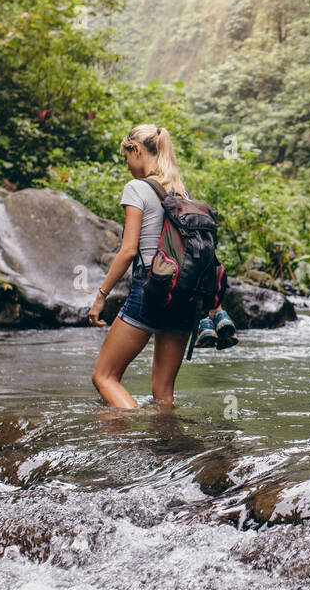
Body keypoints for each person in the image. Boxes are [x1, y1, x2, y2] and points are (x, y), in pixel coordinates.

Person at [89, 124, 236, 408]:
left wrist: (101, 296)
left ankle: (133, 430)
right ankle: (168, 447)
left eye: (126, 157)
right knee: (164, 394)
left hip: (151, 289)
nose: (128, 165)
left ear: (136, 150)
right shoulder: (180, 191)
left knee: (104, 377)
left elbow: (128, 250)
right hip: (184, 293)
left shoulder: (137, 188)